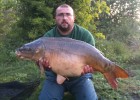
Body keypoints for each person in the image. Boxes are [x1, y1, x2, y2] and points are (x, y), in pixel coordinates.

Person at [38, 4, 98, 100]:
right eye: (60, 15)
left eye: (68, 14)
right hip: (54, 76)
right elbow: (41, 63)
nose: (64, 18)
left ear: (74, 18)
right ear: (55, 18)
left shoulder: (85, 35)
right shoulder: (48, 37)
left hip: (80, 77)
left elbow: (93, 59)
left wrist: (89, 68)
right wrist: (44, 66)